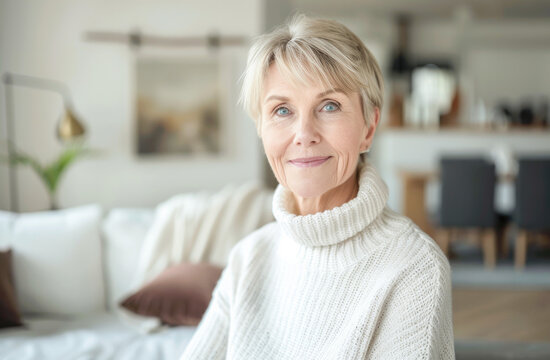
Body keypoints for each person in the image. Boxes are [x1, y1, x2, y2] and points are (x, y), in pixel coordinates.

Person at [181, 14, 455, 359]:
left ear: (369, 127)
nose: (304, 134)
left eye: (329, 106)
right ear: (261, 129)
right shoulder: (248, 259)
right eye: (282, 110)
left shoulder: (414, 267)